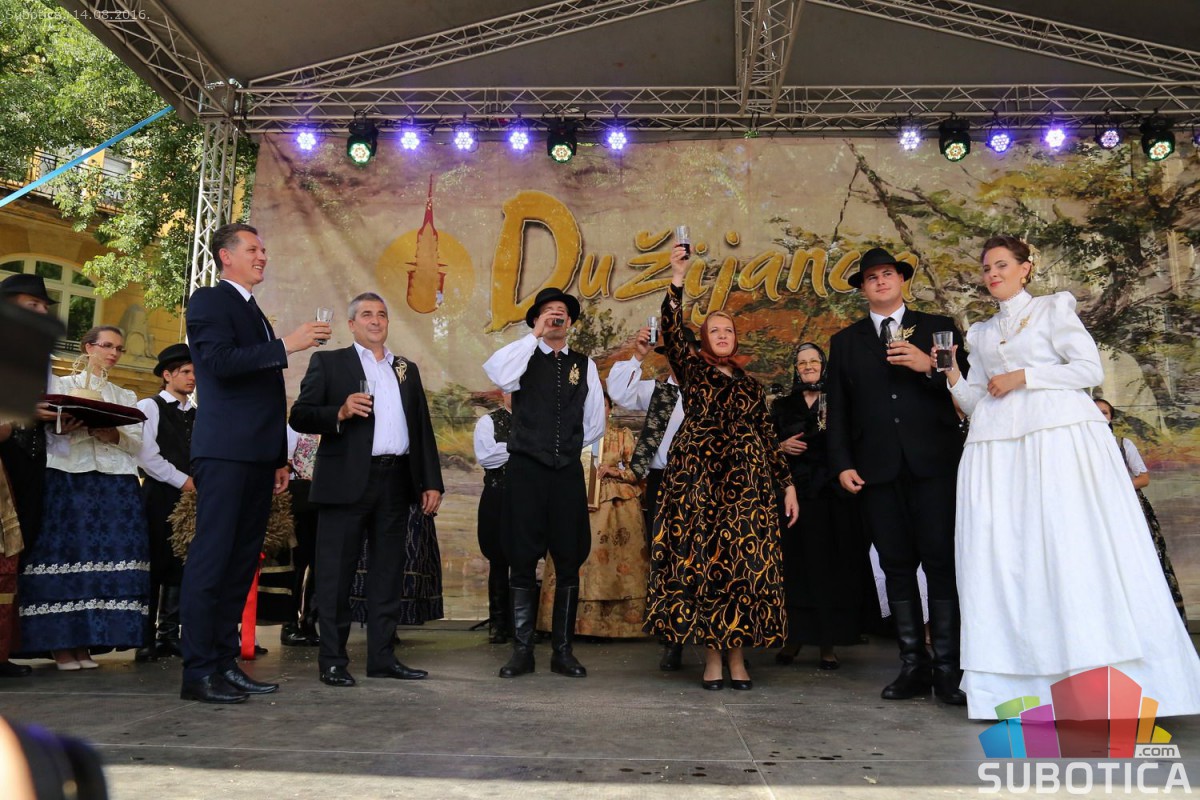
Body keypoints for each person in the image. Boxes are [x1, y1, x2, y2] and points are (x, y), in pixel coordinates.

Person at [945, 234, 1200, 719]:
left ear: (1026, 267)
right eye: (986, 268)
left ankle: (1104, 683)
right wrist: (952, 374)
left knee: (1070, 548)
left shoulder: (1052, 309)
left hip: (1057, 439)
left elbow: (1086, 370)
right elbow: (977, 401)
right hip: (998, 451)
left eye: (1001, 265)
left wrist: (1025, 376)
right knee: (1013, 558)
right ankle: (1028, 690)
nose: (992, 274)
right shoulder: (980, 333)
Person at [180, 222, 330, 704]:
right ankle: (198, 671)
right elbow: (219, 363)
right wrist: (287, 344)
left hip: (256, 456)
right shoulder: (209, 300)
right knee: (212, 558)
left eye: (264, 249)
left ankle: (225, 663)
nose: (262, 256)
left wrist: (277, 457)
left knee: (242, 561)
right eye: (252, 249)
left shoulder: (254, 311)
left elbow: (263, 393)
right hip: (224, 450)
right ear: (225, 256)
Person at [644, 246, 799, 691]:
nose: (723, 335)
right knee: (706, 567)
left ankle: (738, 656)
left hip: (747, 487)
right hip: (699, 484)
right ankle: (713, 658)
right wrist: (677, 278)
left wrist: (786, 485)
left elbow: (767, 436)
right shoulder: (692, 369)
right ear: (704, 340)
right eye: (714, 330)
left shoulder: (751, 385)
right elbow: (671, 330)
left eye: (728, 329)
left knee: (745, 568)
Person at [825, 247, 969, 705]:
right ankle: (912, 665)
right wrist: (842, 463)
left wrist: (929, 367)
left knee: (941, 563)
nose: (881, 281)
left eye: (888, 274)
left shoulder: (936, 327)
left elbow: (964, 389)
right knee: (896, 566)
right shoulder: (845, 342)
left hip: (935, 464)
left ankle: (948, 668)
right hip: (877, 470)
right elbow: (838, 409)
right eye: (872, 278)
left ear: (902, 280)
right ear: (863, 289)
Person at [290, 292, 444, 687]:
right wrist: (339, 412)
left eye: (382, 314)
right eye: (366, 314)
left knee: (388, 574)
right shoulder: (329, 362)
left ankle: (382, 658)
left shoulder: (405, 368)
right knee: (335, 575)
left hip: (396, 481)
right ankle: (333, 660)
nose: (375, 320)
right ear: (352, 324)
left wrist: (431, 481)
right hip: (345, 481)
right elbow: (300, 415)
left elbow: (422, 427)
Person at [483, 287, 605, 679]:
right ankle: (522, 651)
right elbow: (498, 373)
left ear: (570, 322)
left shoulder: (584, 364)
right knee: (521, 558)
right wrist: (533, 335)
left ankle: (562, 652)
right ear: (536, 319)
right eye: (548, 311)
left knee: (568, 558)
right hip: (525, 471)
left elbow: (594, 423)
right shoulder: (522, 357)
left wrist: (563, 448)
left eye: (562, 312)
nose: (556, 316)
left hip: (565, 471)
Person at [18, 325, 149, 670]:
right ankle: (61, 646)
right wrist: (64, 427)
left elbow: (137, 444)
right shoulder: (59, 386)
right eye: (107, 346)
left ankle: (88, 643)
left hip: (115, 482)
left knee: (105, 558)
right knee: (65, 555)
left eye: (119, 348)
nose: (113, 353)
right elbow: (39, 434)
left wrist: (112, 434)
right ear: (88, 347)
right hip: (67, 477)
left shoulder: (125, 395)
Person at [770, 343, 871, 670]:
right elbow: (763, 445)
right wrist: (780, 446)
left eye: (814, 361)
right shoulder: (782, 405)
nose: (809, 366)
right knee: (796, 568)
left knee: (831, 568)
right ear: (795, 369)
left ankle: (828, 643)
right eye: (802, 363)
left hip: (832, 496)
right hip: (794, 497)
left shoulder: (838, 401)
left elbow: (854, 441)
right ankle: (794, 637)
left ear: (823, 365)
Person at [606, 325, 688, 669]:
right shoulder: (658, 390)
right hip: (663, 480)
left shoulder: (712, 392)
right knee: (666, 557)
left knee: (704, 557)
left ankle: (715, 636)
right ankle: (673, 639)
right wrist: (638, 355)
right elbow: (619, 392)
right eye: (676, 352)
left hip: (703, 482)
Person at [0, 273, 69, 678]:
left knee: (15, 560)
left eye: (44, 306)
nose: (42, 313)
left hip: (29, 465)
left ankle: (1, 651)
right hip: (3, 468)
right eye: (33, 306)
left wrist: (63, 420)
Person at [537, 393, 650, 638]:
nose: (597, 410)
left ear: (610, 409)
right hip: (576, 500)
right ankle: (569, 623)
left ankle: (618, 624)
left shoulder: (622, 435)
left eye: (603, 405)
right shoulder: (571, 436)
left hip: (615, 507)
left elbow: (638, 470)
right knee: (576, 557)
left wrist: (614, 472)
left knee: (612, 563)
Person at [1093, 398, 1187, 625]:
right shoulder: (1075, 448)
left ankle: (1153, 620)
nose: (1100, 416)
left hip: (1126, 507)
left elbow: (1143, 478)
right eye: (1095, 412)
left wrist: (1116, 487)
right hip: (1094, 509)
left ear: (1111, 418)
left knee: (1138, 557)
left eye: (1105, 412)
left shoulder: (1122, 444)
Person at [134, 343, 195, 662]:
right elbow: (146, 455)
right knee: (154, 562)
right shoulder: (150, 405)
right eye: (185, 371)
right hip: (159, 495)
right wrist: (183, 480)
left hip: (190, 498)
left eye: (194, 372)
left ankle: (169, 634)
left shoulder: (196, 413)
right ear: (167, 375)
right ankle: (145, 637)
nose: (192, 377)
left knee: (181, 562)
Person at [473, 392, 512, 644]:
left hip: (530, 498)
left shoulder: (539, 420)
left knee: (526, 560)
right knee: (498, 559)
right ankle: (498, 624)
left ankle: (523, 624)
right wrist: (522, 446)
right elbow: (487, 457)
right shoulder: (489, 421)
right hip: (498, 496)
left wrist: (507, 447)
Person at [280, 426, 321, 647]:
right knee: (297, 561)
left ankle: (310, 619)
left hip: (329, 497)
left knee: (320, 562)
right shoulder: (295, 427)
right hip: (301, 497)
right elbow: (284, 464)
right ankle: (289, 623)